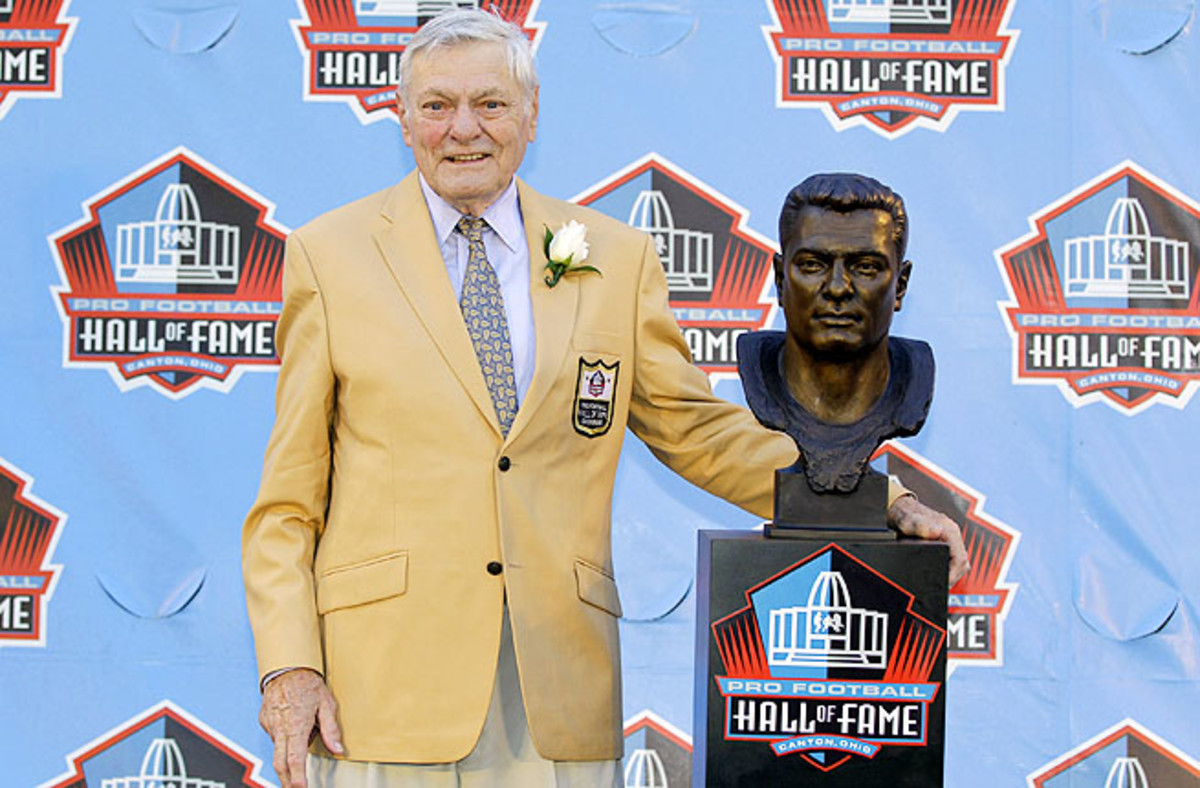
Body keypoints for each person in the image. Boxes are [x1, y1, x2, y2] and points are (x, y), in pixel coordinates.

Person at [241, 10, 969, 788]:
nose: (464, 130)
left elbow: (695, 431)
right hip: (375, 691)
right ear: (402, 117)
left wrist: (872, 498)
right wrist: (289, 667)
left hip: (559, 690)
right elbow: (288, 503)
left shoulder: (613, 259)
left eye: (490, 104)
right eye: (436, 105)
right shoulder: (330, 254)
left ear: (531, 113)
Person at [739, 173, 935, 495]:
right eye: (814, 265)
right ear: (780, 279)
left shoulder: (912, 385)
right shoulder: (760, 375)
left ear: (900, 286)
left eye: (866, 267)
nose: (838, 288)